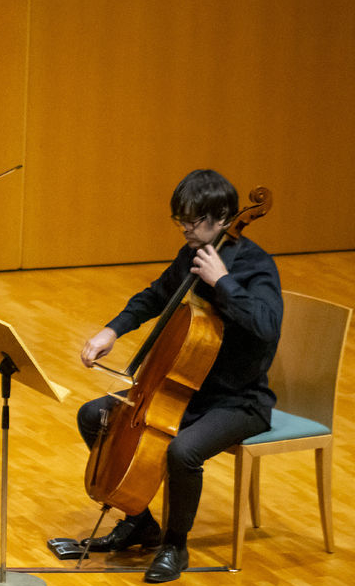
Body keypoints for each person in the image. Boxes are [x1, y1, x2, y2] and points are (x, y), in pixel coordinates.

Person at [73, 169, 281, 583]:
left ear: (222, 217)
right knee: (95, 415)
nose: (184, 228)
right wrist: (111, 330)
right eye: (180, 220)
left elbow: (267, 325)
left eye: (192, 220)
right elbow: (155, 295)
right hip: (185, 391)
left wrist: (223, 283)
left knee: (183, 451)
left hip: (239, 400)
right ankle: (139, 521)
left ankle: (175, 545)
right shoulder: (193, 253)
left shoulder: (256, 266)